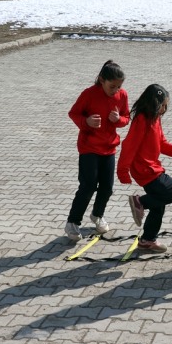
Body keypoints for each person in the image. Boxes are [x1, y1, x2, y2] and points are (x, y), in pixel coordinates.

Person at [117, 84, 172, 253]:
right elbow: (129, 145)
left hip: (152, 168)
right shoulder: (142, 120)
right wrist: (122, 171)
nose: (165, 109)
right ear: (154, 103)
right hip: (146, 170)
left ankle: (147, 240)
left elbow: (162, 144)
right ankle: (140, 202)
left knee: (159, 205)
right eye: (163, 105)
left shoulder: (155, 119)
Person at [65, 60, 130, 241]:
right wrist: (86, 122)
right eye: (112, 86)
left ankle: (97, 215)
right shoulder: (89, 94)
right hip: (89, 147)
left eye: (119, 86)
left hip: (109, 148)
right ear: (102, 80)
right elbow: (74, 113)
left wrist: (118, 120)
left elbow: (126, 117)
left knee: (107, 188)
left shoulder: (122, 95)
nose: (116, 90)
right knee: (88, 186)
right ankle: (72, 222)